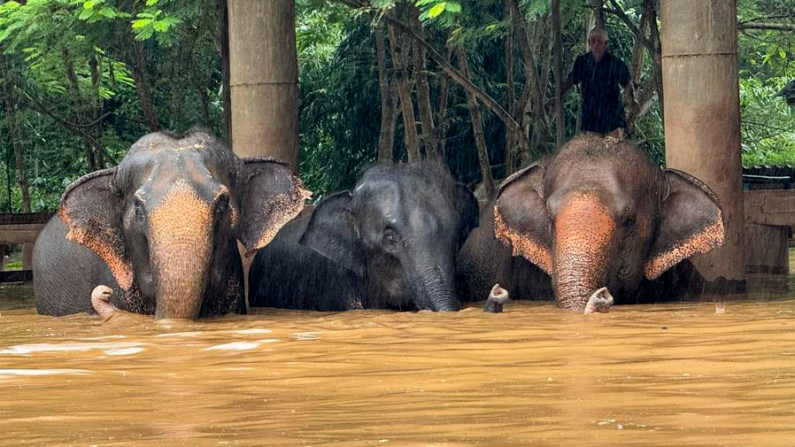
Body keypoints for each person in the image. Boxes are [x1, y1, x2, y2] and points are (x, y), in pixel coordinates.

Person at [562, 27, 634, 139]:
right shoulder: (582, 62)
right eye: (593, 41)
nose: (596, 45)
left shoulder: (615, 63)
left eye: (599, 42)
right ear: (589, 43)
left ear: (606, 44)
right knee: (594, 151)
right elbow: (572, 80)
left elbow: (628, 84)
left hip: (612, 114)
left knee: (615, 150)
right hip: (591, 114)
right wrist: (559, 94)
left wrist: (630, 102)